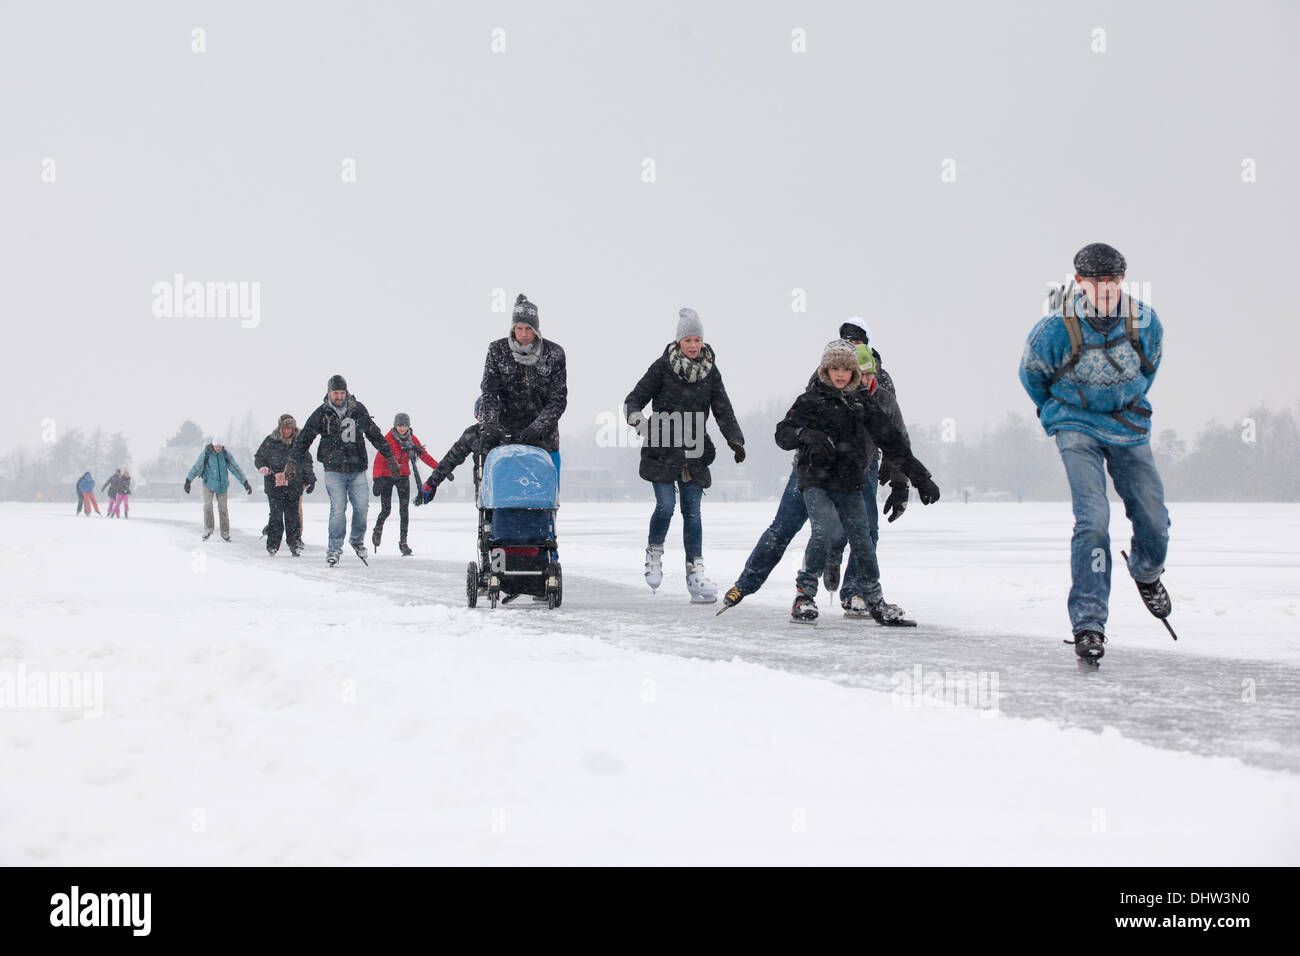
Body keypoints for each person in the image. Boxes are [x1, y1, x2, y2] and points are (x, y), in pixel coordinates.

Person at [1020, 242, 1171, 663]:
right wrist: (1057, 411)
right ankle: (1089, 624)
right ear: (1079, 282)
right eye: (1096, 281)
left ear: (1123, 280)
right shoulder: (1054, 329)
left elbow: (1150, 368)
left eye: (1113, 280)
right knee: (1093, 521)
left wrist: (1123, 401)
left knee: (1154, 519)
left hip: (1128, 424)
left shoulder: (1145, 322)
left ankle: (1147, 571)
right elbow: (1032, 375)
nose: (1105, 288)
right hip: (1075, 425)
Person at [721, 320, 915, 622]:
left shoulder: (883, 389)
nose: (853, 374)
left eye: (858, 343)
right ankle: (750, 584)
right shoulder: (824, 378)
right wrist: (806, 436)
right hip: (813, 467)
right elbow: (792, 425)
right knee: (789, 527)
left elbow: (896, 437)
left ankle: (855, 593)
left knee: (865, 533)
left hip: (859, 468)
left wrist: (900, 482)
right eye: (847, 342)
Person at [774, 340, 939, 623]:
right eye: (834, 368)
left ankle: (875, 601)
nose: (841, 374)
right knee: (825, 531)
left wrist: (920, 478)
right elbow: (783, 434)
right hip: (816, 479)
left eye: (846, 369)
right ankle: (805, 595)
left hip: (851, 482)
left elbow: (895, 443)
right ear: (826, 370)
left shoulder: (864, 402)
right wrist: (806, 434)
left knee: (864, 539)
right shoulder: (811, 399)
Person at [623, 307, 744, 603]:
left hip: (694, 449)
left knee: (693, 513)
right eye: (688, 340)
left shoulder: (710, 371)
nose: (693, 345)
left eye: (697, 340)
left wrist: (735, 440)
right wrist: (642, 425)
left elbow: (723, 409)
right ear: (678, 342)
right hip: (661, 446)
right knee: (665, 506)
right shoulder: (662, 367)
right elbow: (633, 400)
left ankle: (695, 573)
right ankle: (654, 553)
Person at [291, 374, 399, 566]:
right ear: (328, 393)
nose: (339, 397)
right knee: (338, 509)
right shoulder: (322, 413)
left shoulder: (357, 410)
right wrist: (292, 461)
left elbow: (374, 434)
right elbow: (305, 438)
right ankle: (334, 549)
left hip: (357, 469)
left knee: (361, 507)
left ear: (346, 392)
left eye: (341, 393)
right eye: (335, 393)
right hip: (334, 470)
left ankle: (357, 540)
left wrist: (389, 456)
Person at [479, 293, 567, 476]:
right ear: (513, 328)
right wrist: (490, 426)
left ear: (536, 329)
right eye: (519, 328)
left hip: (544, 441)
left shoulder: (554, 354)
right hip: (505, 440)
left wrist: (538, 428)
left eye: (528, 328)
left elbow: (557, 400)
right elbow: (489, 393)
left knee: (544, 497)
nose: (524, 334)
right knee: (503, 496)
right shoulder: (497, 351)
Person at [371, 413, 438, 555]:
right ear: (395, 425)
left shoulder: (412, 439)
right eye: (399, 425)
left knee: (404, 510)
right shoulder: (388, 439)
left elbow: (424, 455)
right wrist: (377, 479)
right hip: (387, 476)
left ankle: (403, 543)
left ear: (409, 426)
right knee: (386, 509)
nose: (402, 428)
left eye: (405, 425)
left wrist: (439, 468)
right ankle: (377, 529)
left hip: (403, 477)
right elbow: (379, 460)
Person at [255, 414, 316, 556]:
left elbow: (307, 461)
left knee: (292, 516)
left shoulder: (299, 442)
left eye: (290, 428)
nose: (287, 431)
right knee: (276, 516)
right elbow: (259, 456)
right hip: (274, 484)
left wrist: (309, 479)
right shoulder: (271, 441)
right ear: (280, 428)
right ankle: (272, 545)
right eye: (284, 428)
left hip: (294, 484)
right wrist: (263, 466)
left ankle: (294, 544)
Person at [185, 436, 251, 541]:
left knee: (223, 509)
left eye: (220, 446)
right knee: (207, 506)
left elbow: (235, 468)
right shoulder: (206, 454)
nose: (218, 448)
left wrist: (245, 482)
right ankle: (208, 529)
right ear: (213, 445)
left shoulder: (225, 455)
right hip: (208, 484)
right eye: (216, 446)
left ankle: (225, 533)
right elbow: (197, 467)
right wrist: (188, 480)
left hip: (222, 486)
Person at [416, 398, 482, 503]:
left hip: (499, 490)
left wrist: (432, 482)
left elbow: (451, 458)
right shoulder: (473, 434)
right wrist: (432, 482)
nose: (482, 417)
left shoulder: (512, 430)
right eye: (479, 414)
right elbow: (451, 458)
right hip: (486, 491)